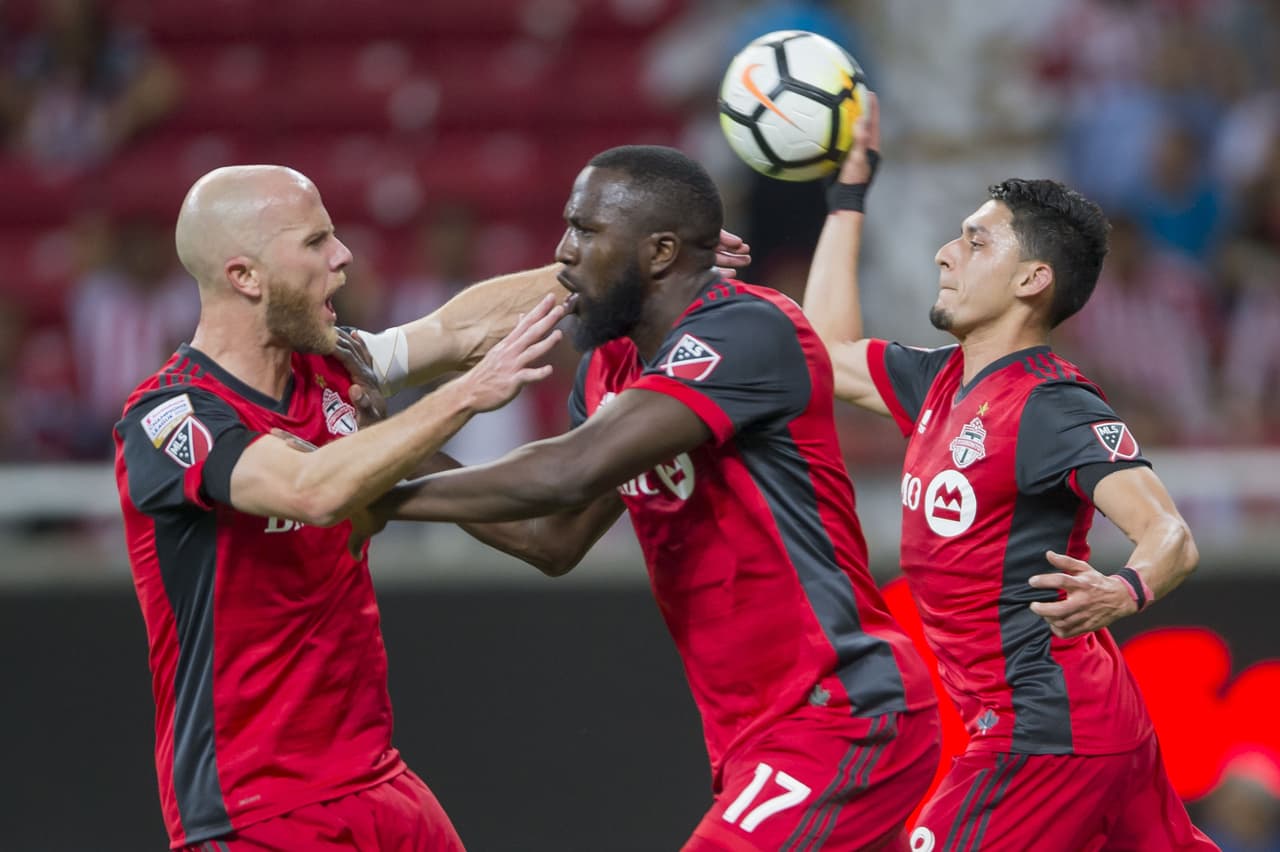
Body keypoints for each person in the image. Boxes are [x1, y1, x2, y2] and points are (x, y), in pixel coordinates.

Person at [354, 145, 942, 852]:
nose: (562, 253)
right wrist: (385, 448)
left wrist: (365, 490)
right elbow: (552, 535)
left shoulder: (751, 330)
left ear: (661, 251)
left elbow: (567, 471)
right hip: (749, 735)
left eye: (586, 230)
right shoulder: (610, 366)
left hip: (840, 707)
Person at [802, 92, 1218, 850]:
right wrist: (847, 196)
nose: (943, 253)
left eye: (975, 242)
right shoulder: (937, 379)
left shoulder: (1052, 405)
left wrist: (1125, 587)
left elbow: (1170, 533)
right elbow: (824, 354)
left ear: (1031, 280)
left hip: (1046, 731)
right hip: (1073, 721)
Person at [112, 163, 571, 851]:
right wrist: (465, 396)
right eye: (317, 241)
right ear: (246, 277)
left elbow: (454, 330)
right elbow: (311, 490)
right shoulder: (170, 416)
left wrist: (617, 264)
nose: (343, 256)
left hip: (379, 785)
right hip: (255, 811)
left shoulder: (332, 365)